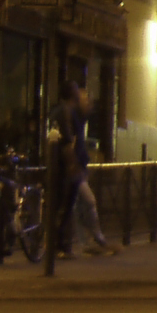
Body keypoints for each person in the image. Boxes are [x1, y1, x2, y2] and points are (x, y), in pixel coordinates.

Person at [52, 82, 114, 257]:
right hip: (71, 167)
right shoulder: (66, 112)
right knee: (85, 202)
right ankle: (94, 240)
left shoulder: (73, 114)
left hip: (74, 166)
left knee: (75, 207)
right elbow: (67, 142)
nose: (85, 100)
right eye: (81, 96)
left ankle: (83, 243)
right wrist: (73, 164)